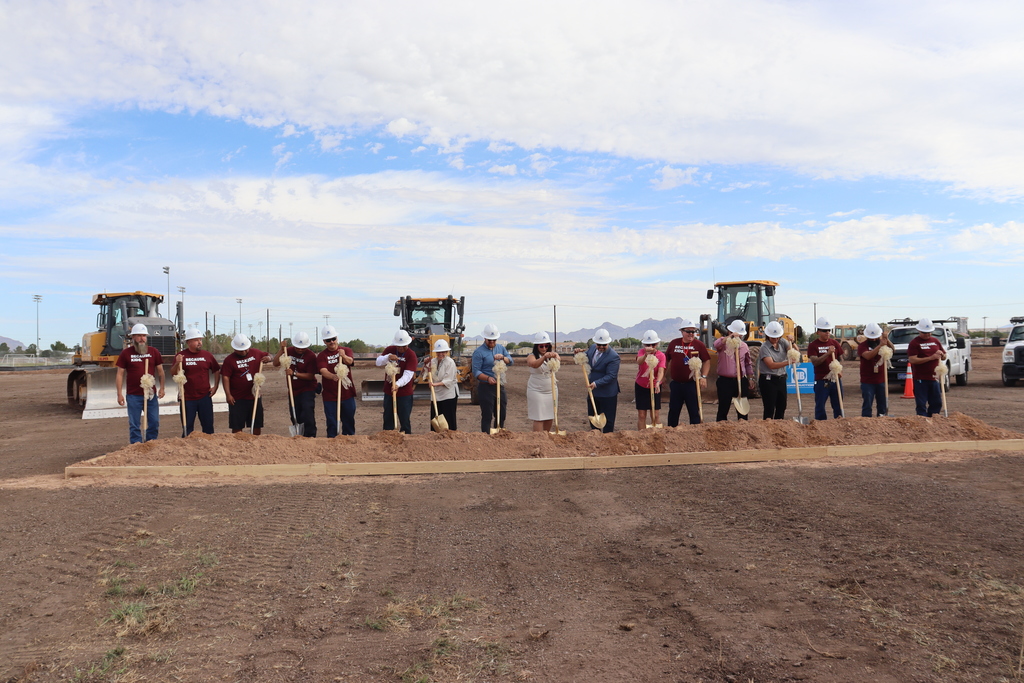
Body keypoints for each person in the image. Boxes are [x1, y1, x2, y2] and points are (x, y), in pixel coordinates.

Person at [115, 323, 166, 443]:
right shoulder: (126, 353)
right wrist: (119, 394)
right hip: (133, 395)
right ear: (133, 337)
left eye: (144, 336)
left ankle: (151, 443)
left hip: (150, 395)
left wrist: (162, 388)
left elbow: (161, 372)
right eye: (139, 336)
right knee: (134, 424)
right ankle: (136, 446)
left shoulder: (154, 352)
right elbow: (120, 374)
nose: (142, 338)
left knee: (154, 421)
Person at [170, 327, 220, 435]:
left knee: (208, 427)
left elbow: (216, 370)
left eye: (200, 340)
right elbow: (173, 373)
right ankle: (187, 449)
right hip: (187, 398)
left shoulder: (207, 355)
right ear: (189, 342)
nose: (199, 342)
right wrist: (177, 363)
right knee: (187, 428)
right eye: (196, 340)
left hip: (205, 397)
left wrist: (216, 386)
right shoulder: (181, 356)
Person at [220, 333, 271, 435]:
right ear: (234, 348)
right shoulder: (229, 360)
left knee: (257, 423)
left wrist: (269, 358)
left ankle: (256, 441)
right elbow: (225, 377)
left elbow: (269, 355)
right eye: (240, 350)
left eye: (245, 349)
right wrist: (228, 394)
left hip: (254, 396)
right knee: (237, 425)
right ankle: (238, 444)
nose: (243, 352)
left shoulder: (256, 353)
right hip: (237, 398)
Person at [664, 320, 709, 426]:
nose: (691, 334)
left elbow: (706, 360)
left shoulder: (699, 345)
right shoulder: (674, 343)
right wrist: (663, 376)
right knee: (674, 410)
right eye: (688, 331)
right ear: (682, 332)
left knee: (694, 411)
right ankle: (671, 430)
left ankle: (695, 431)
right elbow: (666, 360)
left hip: (692, 384)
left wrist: (704, 376)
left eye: (694, 332)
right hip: (676, 384)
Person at [273, 331, 318, 437]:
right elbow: (275, 363)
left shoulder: (311, 356)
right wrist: (281, 350)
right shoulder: (288, 351)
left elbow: (310, 376)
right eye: (298, 347)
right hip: (293, 389)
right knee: (295, 415)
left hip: (307, 389)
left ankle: (310, 436)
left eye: (302, 348)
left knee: (307, 413)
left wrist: (294, 373)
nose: (300, 349)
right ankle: (299, 436)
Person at [472, 323, 514, 433]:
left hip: (500, 385)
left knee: (501, 412)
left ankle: (499, 432)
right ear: (484, 338)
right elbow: (476, 371)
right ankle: (486, 436)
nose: (492, 342)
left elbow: (511, 361)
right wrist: (487, 378)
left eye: (494, 340)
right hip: (486, 387)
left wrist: (504, 358)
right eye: (489, 340)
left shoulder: (501, 348)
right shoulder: (478, 352)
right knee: (487, 415)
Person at [317, 326, 356, 437]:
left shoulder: (346, 350)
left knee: (348, 421)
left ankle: (349, 442)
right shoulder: (322, 356)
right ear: (324, 341)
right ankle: (332, 443)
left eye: (333, 338)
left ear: (337, 338)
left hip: (347, 394)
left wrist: (343, 356)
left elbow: (350, 361)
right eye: (328, 340)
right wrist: (333, 376)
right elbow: (323, 370)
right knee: (332, 423)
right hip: (330, 396)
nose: (332, 342)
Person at [713, 320, 755, 422]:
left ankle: (743, 428)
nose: (739, 337)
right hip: (725, 381)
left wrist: (750, 378)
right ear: (729, 332)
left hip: (741, 380)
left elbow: (748, 363)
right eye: (738, 335)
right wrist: (730, 337)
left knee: (742, 410)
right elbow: (716, 344)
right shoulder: (723, 344)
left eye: (741, 336)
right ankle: (721, 429)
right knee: (723, 407)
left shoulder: (744, 346)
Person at [376, 330, 418, 433]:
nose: (401, 348)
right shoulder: (390, 350)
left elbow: (408, 375)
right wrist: (387, 357)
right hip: (389, 391)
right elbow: (378, 362)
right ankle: (388, 436)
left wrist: (398, 384)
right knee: (388, 416)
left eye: (403, 346)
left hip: (404, 393)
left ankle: (406, 437)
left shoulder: (411, 355)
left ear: (407, 343)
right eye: (398, 346)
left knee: (404, 418)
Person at [907, 318, 946, 417]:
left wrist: (942, 355)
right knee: (921, 403)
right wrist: (930, 358)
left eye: (929, 332)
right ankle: (923, 420)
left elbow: (944, 355)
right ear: (919, 331)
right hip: (921, 378)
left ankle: (934, 418)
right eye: (925, 332)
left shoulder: (935, 341)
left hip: (934, 378)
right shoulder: (914, 343)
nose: (927, 335)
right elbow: (912, 359)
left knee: (936, 402)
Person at [807, 317, 844, 420]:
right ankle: (821, 425)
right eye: (824, 331)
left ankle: (839, 423)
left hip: (835, 380)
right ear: (818, 331)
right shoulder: (813, 345)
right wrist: (827, 354)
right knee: (820, 406)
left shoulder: (835, 343)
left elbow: (840, 359)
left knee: (838, 405)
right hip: (821, 381)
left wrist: (839, 370)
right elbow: (815, 362)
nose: (827, 333)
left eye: (829, 330)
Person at [585, 328, 620, 433]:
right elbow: (585, 357)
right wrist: (578, 353)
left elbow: (611, 375)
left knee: (608, 420)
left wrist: (596, 383)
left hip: (607, 393)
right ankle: (595, 437)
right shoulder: (591, 348)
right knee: (593, 416)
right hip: (593, 392)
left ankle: (608, 440)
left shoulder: (614, 357)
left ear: (608, 343)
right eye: (598, 344)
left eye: (603, 345)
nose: (601, 347)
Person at [758, 321, 792, 420]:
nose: (776, 339)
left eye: (778, 337)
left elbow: (792, 351)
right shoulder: (764, 347)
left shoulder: (782, 342)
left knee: (782, 406)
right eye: (773, 337)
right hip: (768, 380)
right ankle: (768, 428)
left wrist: (792, 343)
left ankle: (779, 426)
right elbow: (771, 365)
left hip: (781, 378)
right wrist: (788, 362)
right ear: (768, 336)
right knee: (769, 407)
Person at [858, 322, 893, 417]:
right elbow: (868, 356)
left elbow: (893, 350)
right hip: (867, 381)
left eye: (875, 337)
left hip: (881, 380)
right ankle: (866, 421)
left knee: (882, 404)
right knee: (867, 404)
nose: (873, 339)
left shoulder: (882, 342)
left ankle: (882, 419)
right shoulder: (863, 346)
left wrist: (886, 339)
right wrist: (879, 346)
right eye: (871, 337)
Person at [526, 332, 558, 432]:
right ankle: (538, 439)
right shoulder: (532, 356)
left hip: (551, 390)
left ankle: (546, 437)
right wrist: (544, 357)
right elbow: (534, 364)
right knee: (539, 417)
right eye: (541, 346)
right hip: (536, 390)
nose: (544, 348)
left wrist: (553, 356)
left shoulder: (552, 355)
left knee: (550, 415)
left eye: (546, 345)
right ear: (536, 346)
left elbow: (559, 360)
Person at [636, 330, 666, 430]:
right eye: (648, 344)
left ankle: (657, 436)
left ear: (657, 344)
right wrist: (645, 355)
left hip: (655, 386)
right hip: (641, 385)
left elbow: (661, 371)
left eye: (653, 344)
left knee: (655, 414)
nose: (650, 347)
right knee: (641, 414)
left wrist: (658, 382)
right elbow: (639, 362)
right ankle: (641, 435)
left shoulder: (661, 355)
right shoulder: (641, 352)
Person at [427, 339, 459, 430]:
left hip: (448, 394)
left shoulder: (450, 362)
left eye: (443, 352)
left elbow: (448, 380)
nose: (441, 354)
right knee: (435, 417)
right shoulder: (433, 361)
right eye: (438, 352)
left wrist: (434, 384)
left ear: (447, 352)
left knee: (448, 418)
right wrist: (426, 365)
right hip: (436, 394)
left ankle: (450, 437)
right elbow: (425, 373)